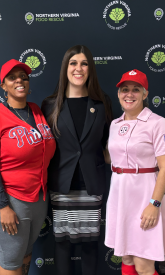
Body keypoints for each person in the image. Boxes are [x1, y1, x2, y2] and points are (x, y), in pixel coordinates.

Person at [0, 59, 56, 275]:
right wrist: (3, 207)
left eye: (24, 77)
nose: (19, 81)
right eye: (12, 78)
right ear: (3, 85)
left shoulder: (36, 111)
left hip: (37, 195)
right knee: (11, 260)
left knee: (26, 253)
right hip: (9, 198)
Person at [41, 45, 113, 275]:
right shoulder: (50, 105)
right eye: (73, 63)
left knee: (91, 243)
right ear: (65, 68)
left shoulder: (102, 104)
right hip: (62, 184)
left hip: (91, 184)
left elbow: (109, 142)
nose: (78, 68)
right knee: (62, 243)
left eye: (84, 63)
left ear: (90, 68)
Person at [104, 69, 165, 275]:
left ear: (145, 94)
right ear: (118, 94)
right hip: (119, 195)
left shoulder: (157, 123)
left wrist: (154, 204)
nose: (129, 94)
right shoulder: (115, 125)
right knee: (126, 256)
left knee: (143, 265)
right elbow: (113, 157)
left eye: (136, 90)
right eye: (125, 89)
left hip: (145, 196)